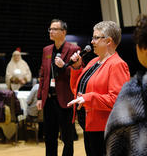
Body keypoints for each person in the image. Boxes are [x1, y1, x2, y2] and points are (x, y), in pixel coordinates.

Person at [67, 21, 130, 156]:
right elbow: (77, 89)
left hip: (105, 130)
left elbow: (117, 100)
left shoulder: (117, 65)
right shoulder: (93, 62)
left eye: (96, 38)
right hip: (89, 127)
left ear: (108, 41)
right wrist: (77, 68)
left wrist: (88, 98)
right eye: (92, 37)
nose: (92, 41)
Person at [37, 19, 80, 156]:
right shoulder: (47, 50)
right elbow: (43, 75)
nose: (51, 31)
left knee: (67, 138)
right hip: (49, 100)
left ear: (64, 32)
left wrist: (64, 66)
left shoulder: (74, 49)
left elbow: (78, 73)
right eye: (50, 29)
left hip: (65, 99)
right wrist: (39, 97)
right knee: (49, 137)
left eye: (54, 29)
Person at [105, 14, 147, 156]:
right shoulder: (91, 64)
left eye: (97, 37)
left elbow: (114, 140)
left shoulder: (134, 89)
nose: (92, 41)